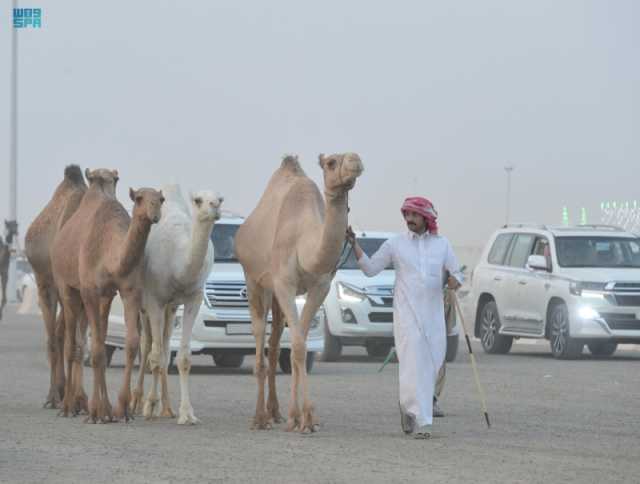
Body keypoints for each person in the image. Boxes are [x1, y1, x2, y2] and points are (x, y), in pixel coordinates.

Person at [346, 196, 463, 439]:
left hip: (434, 317)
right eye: (407, 215)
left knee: (432, 365)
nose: (409, 219)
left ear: (426, 218)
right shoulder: (395, 245)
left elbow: (457, 274)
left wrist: (454, 281)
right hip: (407, 316)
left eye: (414, 215)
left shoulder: (442, 245)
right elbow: (370, 269)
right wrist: (354, 245)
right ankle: (423, 421)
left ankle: (408, 408)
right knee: (412, 364)